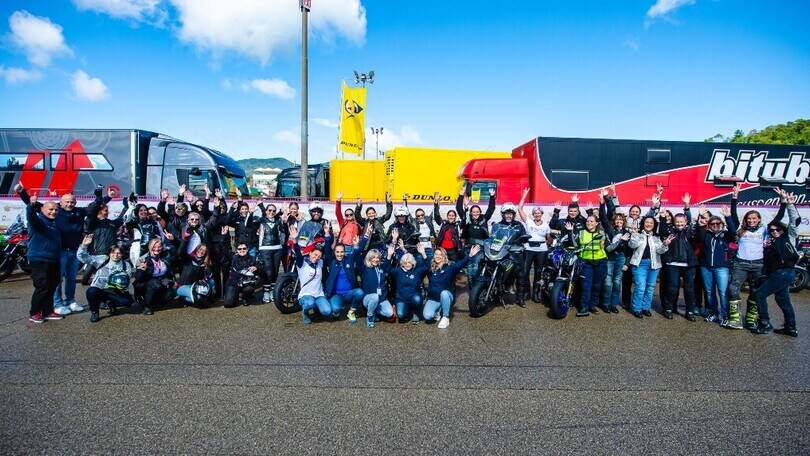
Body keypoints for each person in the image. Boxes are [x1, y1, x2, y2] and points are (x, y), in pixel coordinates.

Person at [16, 183, 99, 316]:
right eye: (67, 202)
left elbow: (93, 208)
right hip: (58, 253)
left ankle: (70, 301)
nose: (70, 204)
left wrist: (102, 197)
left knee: (70, 278)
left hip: (74, 251)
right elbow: (33, 206)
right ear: (61, 203)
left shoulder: (78, 212)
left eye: (72, 202)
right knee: (55, 281)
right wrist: (22, 193)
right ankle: (57, 304)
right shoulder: (53, 213)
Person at [728, 185, 787, 330]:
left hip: (758, 264)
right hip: (740, 264)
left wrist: (783, 202)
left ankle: (750, 319)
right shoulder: (740, 229)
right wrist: (734, 197)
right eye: (749, 218)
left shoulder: (764, 230)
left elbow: (778, 218)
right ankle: (735, 319)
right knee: (732, 289)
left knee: (755, 292)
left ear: (759, 219)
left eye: (754, 218)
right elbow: (733, 214)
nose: (751, 220)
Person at [752, 191, 799, 337]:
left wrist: (789, 203)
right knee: (782, 300)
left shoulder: (789, 236)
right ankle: (790, 327)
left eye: (778, 229)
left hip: (785, 271)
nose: (774, 231)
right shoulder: (770, 242)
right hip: (777, 273)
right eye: (772, 230)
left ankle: (765, 323)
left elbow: (795, 220)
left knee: (759, 294)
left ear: (783, 229)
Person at [23, 194, 64, 323]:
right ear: (42, 209)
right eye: (51, 209)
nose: (53, 212)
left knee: (52, 286)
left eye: (56, 210)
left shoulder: (54, 224)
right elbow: (31, 216)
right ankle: (34, 313)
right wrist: (31, 206)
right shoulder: (38, 222)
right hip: (40, 260)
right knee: (42, 286)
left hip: (54, 259)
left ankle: (47, 311)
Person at [659, 193, 699, 321]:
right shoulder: (670, 232)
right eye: (677, 222)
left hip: (688, 265)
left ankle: (689, 311)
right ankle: (669, 309)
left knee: (689, 289)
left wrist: (687, 207)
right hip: (673, 264)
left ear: (686, 222)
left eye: (682, 222)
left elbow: (692, 224)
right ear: (674, 222)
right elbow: (662, 230)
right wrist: (662, 217)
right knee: (672, 288)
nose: (679, 224)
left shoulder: (689, 231)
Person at [77, 234, 134, 322]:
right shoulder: (102, 260)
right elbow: (83, 257)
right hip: (100, 289)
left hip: (115, 291)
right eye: (113, 253)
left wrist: (124, 287)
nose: (115, 255)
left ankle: (111, 304)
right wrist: (84, 246)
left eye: (118, 253)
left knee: (128, 301)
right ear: (109, 253)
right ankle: (95, 312)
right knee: (91, 291)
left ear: (122, 254)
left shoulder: (126, 265)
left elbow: (127, 281)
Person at [695, 206, 736, 326]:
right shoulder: (706, 234)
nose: (715, 225)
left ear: (721, 224)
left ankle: (725, 315)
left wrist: (727, 217)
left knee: (723, 292)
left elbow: (733, 231)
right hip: (706, 267)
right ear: (709, 225)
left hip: (722, 268)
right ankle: (714, 312)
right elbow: (698, 236)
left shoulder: (726, 235)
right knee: (709, 291)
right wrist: (700, 216)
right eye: (712, 224)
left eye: (718, 223)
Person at [423, 245, 479, 329]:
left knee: (444, 293)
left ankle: (445, 317)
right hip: (433, 298)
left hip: (446, 295)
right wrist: (423, 253)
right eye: (436, 254)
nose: (438, 256)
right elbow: (426, 261)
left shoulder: (450, 267)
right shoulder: (431, 267)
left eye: (440, 255)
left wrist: (470, 255)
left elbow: (460, 264)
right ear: (433, 255)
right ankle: (438, 309)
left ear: (444, 256)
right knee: (427, 316)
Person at [566, 212, 608, 317]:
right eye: (588, 221)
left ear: (596, 223)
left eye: (592, 221)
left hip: (600, 262)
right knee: (586, 285)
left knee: (597, 285)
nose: (589, 223)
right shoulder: (581, 233)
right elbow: (574, 244)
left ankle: (592, 305)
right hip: (586, 262)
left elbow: (608, 246)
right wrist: (570, 232)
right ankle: (584, 307)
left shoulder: (602, 233)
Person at [628, 215, 670, 318]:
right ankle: (637, 308)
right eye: (647, 222)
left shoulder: (656, 237)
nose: (649, 224)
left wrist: (665, 245)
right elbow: (632, 245)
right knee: (640, 287)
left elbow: (660, 251)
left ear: (654, 225)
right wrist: (634, 234)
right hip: (639, 264)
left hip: (654, 265)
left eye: (651, 223)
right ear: (643, 223)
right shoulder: (638, 235)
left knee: (650, 288)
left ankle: (646, 307)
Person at [288, 225, 331, 324]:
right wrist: (295, 240)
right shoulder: (302, 263)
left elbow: (328, 252)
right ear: (310, 253)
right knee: (309, 303)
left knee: (327, 311)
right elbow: (298, 253)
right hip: (306, 295)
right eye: (315, 255)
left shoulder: (320, 263)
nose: (316, 258)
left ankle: (317, 308)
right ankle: (305, 312)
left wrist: (327, 235)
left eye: (319, 256)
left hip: (319, 295)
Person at [323, 226, 366, 323]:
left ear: (344, 252)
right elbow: (327, 250)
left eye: (342, 252)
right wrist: (327, 235)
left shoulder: (348, 260)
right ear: (334, 252)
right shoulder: (331, 261)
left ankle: (351, 311)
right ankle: (336, 312)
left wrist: (362, 240)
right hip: (336, 294)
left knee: (359, 292)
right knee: (335, 309)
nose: (340, 254)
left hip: (348, 293)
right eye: (337, 252)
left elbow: (357, 252)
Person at [491, 202, 528, 307]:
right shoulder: (497, 225)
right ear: (503, 214)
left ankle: (520, 298)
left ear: (513, 214)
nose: (508, 216)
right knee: (497, 272)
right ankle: (496, 294)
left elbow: (524, 236)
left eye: (510, 214)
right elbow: (492, 238)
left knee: (521, 275)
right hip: (501, 252)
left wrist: (524, 238)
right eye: (506, 213)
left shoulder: (519, 225)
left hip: (516, 253)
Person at [459, 187, 496, 283]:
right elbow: (459, 209)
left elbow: (491, 209)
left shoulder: (484, 219)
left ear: (480, 212)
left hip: (480, 248)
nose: (475, 213)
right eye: (474, 212)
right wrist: (461, 196)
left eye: (477, 212)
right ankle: (472, 288)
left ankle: (477, 288)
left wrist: (492, 197)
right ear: (471, 213)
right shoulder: (467, 219)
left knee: (476, 269)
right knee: (470, 270)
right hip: (468, 248)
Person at [518, 188, 550, 301]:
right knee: (525, 271)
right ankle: (527, 292)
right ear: (532, 214)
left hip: (542, 251)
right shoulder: (529, 222)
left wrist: (549, 241)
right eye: (535, 213)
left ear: (542, 214)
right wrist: (524, 196)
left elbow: (549, 239)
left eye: (539, 213)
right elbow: (519, 209)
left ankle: (536, 294)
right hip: (529, 249)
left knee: (538, 272)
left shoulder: (546, 225)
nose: (537, 214)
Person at [389, 242, 430, 324]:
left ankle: (416, 313)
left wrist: (423, 253)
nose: (408, 265)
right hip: (402, 298)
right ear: (402, 263)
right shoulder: (398, 271)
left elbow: (427, 266)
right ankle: (406, 308)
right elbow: (387, 268)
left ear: (413, 262)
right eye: (405, 263)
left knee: (417, 299)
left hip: (414, 296)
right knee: (400, 315)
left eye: (409, 262)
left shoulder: (417, 271)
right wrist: (389, 255)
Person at [256, 202, 288, 302]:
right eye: (269, 210)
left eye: (274, 211)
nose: (271, 212)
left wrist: (284, 220)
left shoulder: (278, 220)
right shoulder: (261, 220)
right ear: (265, 211)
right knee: (268, 272)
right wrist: (257, 208)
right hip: (265, 248)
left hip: (277, 248)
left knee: (275, 272)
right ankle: (266, 292)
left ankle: (273, 291)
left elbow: (284, 231)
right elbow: (249, 225)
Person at [133, 238, 174, 315]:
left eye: (159, 247)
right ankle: (147, 305)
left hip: (161, 281)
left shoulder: (165, 256)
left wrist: (169, 280)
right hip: (147, 284)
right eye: (154, 247)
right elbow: (138, 278)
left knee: (171, 293)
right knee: (155, 283)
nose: (157, 249)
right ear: (150, 247)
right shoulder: (142, 259)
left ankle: (157, 303)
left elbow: (177, 253)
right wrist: (142, 270)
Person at [358, 247, 395, 328]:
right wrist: (357, 246)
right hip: (368, 298)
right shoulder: (364, 268)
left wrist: (389, 254)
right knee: (375, 296)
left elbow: (387, 262)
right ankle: (370, 316)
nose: (376, 259)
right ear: (369, 258)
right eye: (373, 257)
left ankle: (374, 311)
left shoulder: (381, 268)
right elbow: (357, 255)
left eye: (377, 257)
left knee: (389, 313)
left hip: (381, 299)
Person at [223, 242, 262, 308]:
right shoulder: (233, 257)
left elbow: (262, 268)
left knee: (249, 289)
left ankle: (245, 298)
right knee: (228, 304)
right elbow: (224, 250)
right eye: (239, 249)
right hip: (234, 283)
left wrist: (256, 268)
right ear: (237, 250)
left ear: (247, 249)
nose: (242, 250)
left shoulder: (253, 258)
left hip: (246, 284)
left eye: (244, 248)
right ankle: (235, 296)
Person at [175, 242, 214, 307]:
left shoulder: (205, 262)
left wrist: (204, 280)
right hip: (183, 286)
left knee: (211, 281)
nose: (201, 252)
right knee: (199, 299)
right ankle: (183, 299)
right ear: (196, 249)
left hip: (195, 286)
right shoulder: (188, 258)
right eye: (200, 249)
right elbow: (180, 252)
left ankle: (208, 297)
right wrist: (184, 240)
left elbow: (209, 273)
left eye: (204, 251)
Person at [433, 192, 464, 262]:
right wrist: (436, 202)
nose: (451, 217)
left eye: (453, 216)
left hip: (453, 251)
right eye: (449, 215)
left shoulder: (458, 225)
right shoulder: (443, 223)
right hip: (442, 250)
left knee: (453, 266)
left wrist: (465, 206)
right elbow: (436, 216)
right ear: (447, 216)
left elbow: (465, 219)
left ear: (455, 217)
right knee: (442, 265)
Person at [335, 191, 361, 257]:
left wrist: (359, 204)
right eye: (347, 215)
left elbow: (360, 235)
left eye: (350, 214)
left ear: (353, 214)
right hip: (345, 247)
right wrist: (338, 200)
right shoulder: (343, 222)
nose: (349, 216)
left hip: (355, 246)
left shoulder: (357, 224)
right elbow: (338, 212)